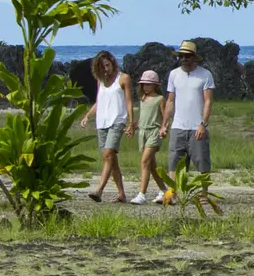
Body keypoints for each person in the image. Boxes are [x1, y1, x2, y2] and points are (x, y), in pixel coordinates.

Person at [160, 40, 215, 199]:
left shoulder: (205, 74)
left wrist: (202, 124)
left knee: (201, 161)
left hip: (196, 126)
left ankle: (203, 194)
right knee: (174, 162)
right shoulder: (174, 74)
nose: (184, 59)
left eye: (187, 56)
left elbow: (208, 101)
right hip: (178, 125)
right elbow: (170, 101)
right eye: (181, 56)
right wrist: (164, 124)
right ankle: (172, 193)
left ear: (194, 57)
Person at [79, 50, 135, 202]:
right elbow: (99, 102)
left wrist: (131, 122)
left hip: (117, 121)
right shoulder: (100, 81)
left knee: (108, 154)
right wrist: (87, 116)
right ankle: (121, 194)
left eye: (107, 65)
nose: (105, 69)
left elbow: (129, 101)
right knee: (112, 159)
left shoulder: (123, 78)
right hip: (102, 122)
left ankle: (99, 190)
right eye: (102, 67)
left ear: (112, 62)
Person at [128, 70, 168, 204]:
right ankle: (164, 190)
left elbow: (165, 116)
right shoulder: (142, 99)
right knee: (151, 165)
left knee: (144, 161)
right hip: (143, 133)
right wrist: (133, 126)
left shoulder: (160, 99)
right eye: (143, 84)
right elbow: (142, 117)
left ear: (155, 85)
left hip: (154, 132)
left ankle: (142, 195)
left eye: (148, 84)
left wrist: (164, 128)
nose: (145, 87)